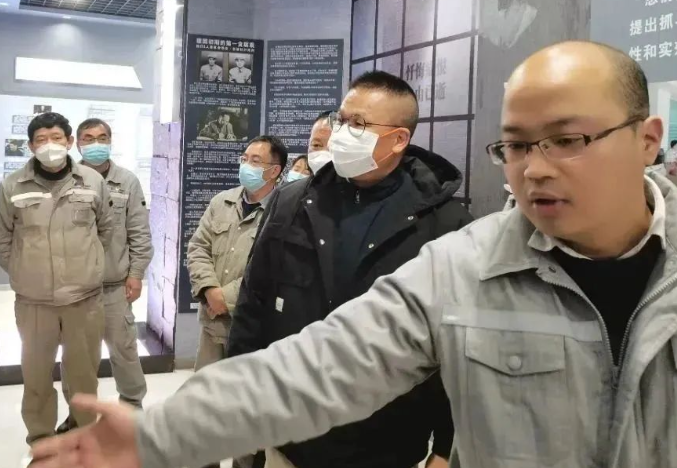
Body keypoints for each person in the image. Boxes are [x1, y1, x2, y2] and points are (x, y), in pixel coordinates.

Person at [31, 41, 675, 468]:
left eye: (567, 140)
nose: (533, 169)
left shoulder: (440, 221)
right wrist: (160, 435)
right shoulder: (464, 265)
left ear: (648, 140)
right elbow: (321, 365)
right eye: (515, 146)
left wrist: (441, 449)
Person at [227, 71, 471, 468]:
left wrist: (445, 446)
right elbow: (253, 307)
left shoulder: (445, 225)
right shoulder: (293, 203)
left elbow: (457, 345)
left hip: (386, 446)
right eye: (341, 120)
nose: (341, 133)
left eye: (358, 124)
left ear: (398, 140)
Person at [0, 112, 113, 446]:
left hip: (84, 301)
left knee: (83, 378)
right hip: (35, 304)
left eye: (56, 138)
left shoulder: (92, 181)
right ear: (31, 146)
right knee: (36, 379)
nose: (49, 145)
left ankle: (83, 440)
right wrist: (23, 270)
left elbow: (105, 230)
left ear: (69, 141)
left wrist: (89, 267)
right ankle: (42, 444)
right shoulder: (12, 186)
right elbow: (3, 239)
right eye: (41, 140)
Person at [187, 135, 287, 468]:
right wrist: (208, 289)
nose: (246, 165)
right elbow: (198, 247)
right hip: (213, 325)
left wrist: (225, 297)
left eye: (256, 161)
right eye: (245, 158)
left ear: (274, 171)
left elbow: (272, 269)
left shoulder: (285, 211)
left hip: (254, 331)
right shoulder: (222, 202)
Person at [55, 118, 153, 434]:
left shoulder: (127, 181)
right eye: (89, 138)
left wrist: (136, 273)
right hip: (75, 290)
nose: (96, 143)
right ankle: (79, 415)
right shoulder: (65, 180)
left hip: (114, 288)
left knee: (125, 352)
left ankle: (132, 409)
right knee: (76, 357)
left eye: (102, 137)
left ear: (111, 140)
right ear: (77, 142)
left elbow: (139, 231)